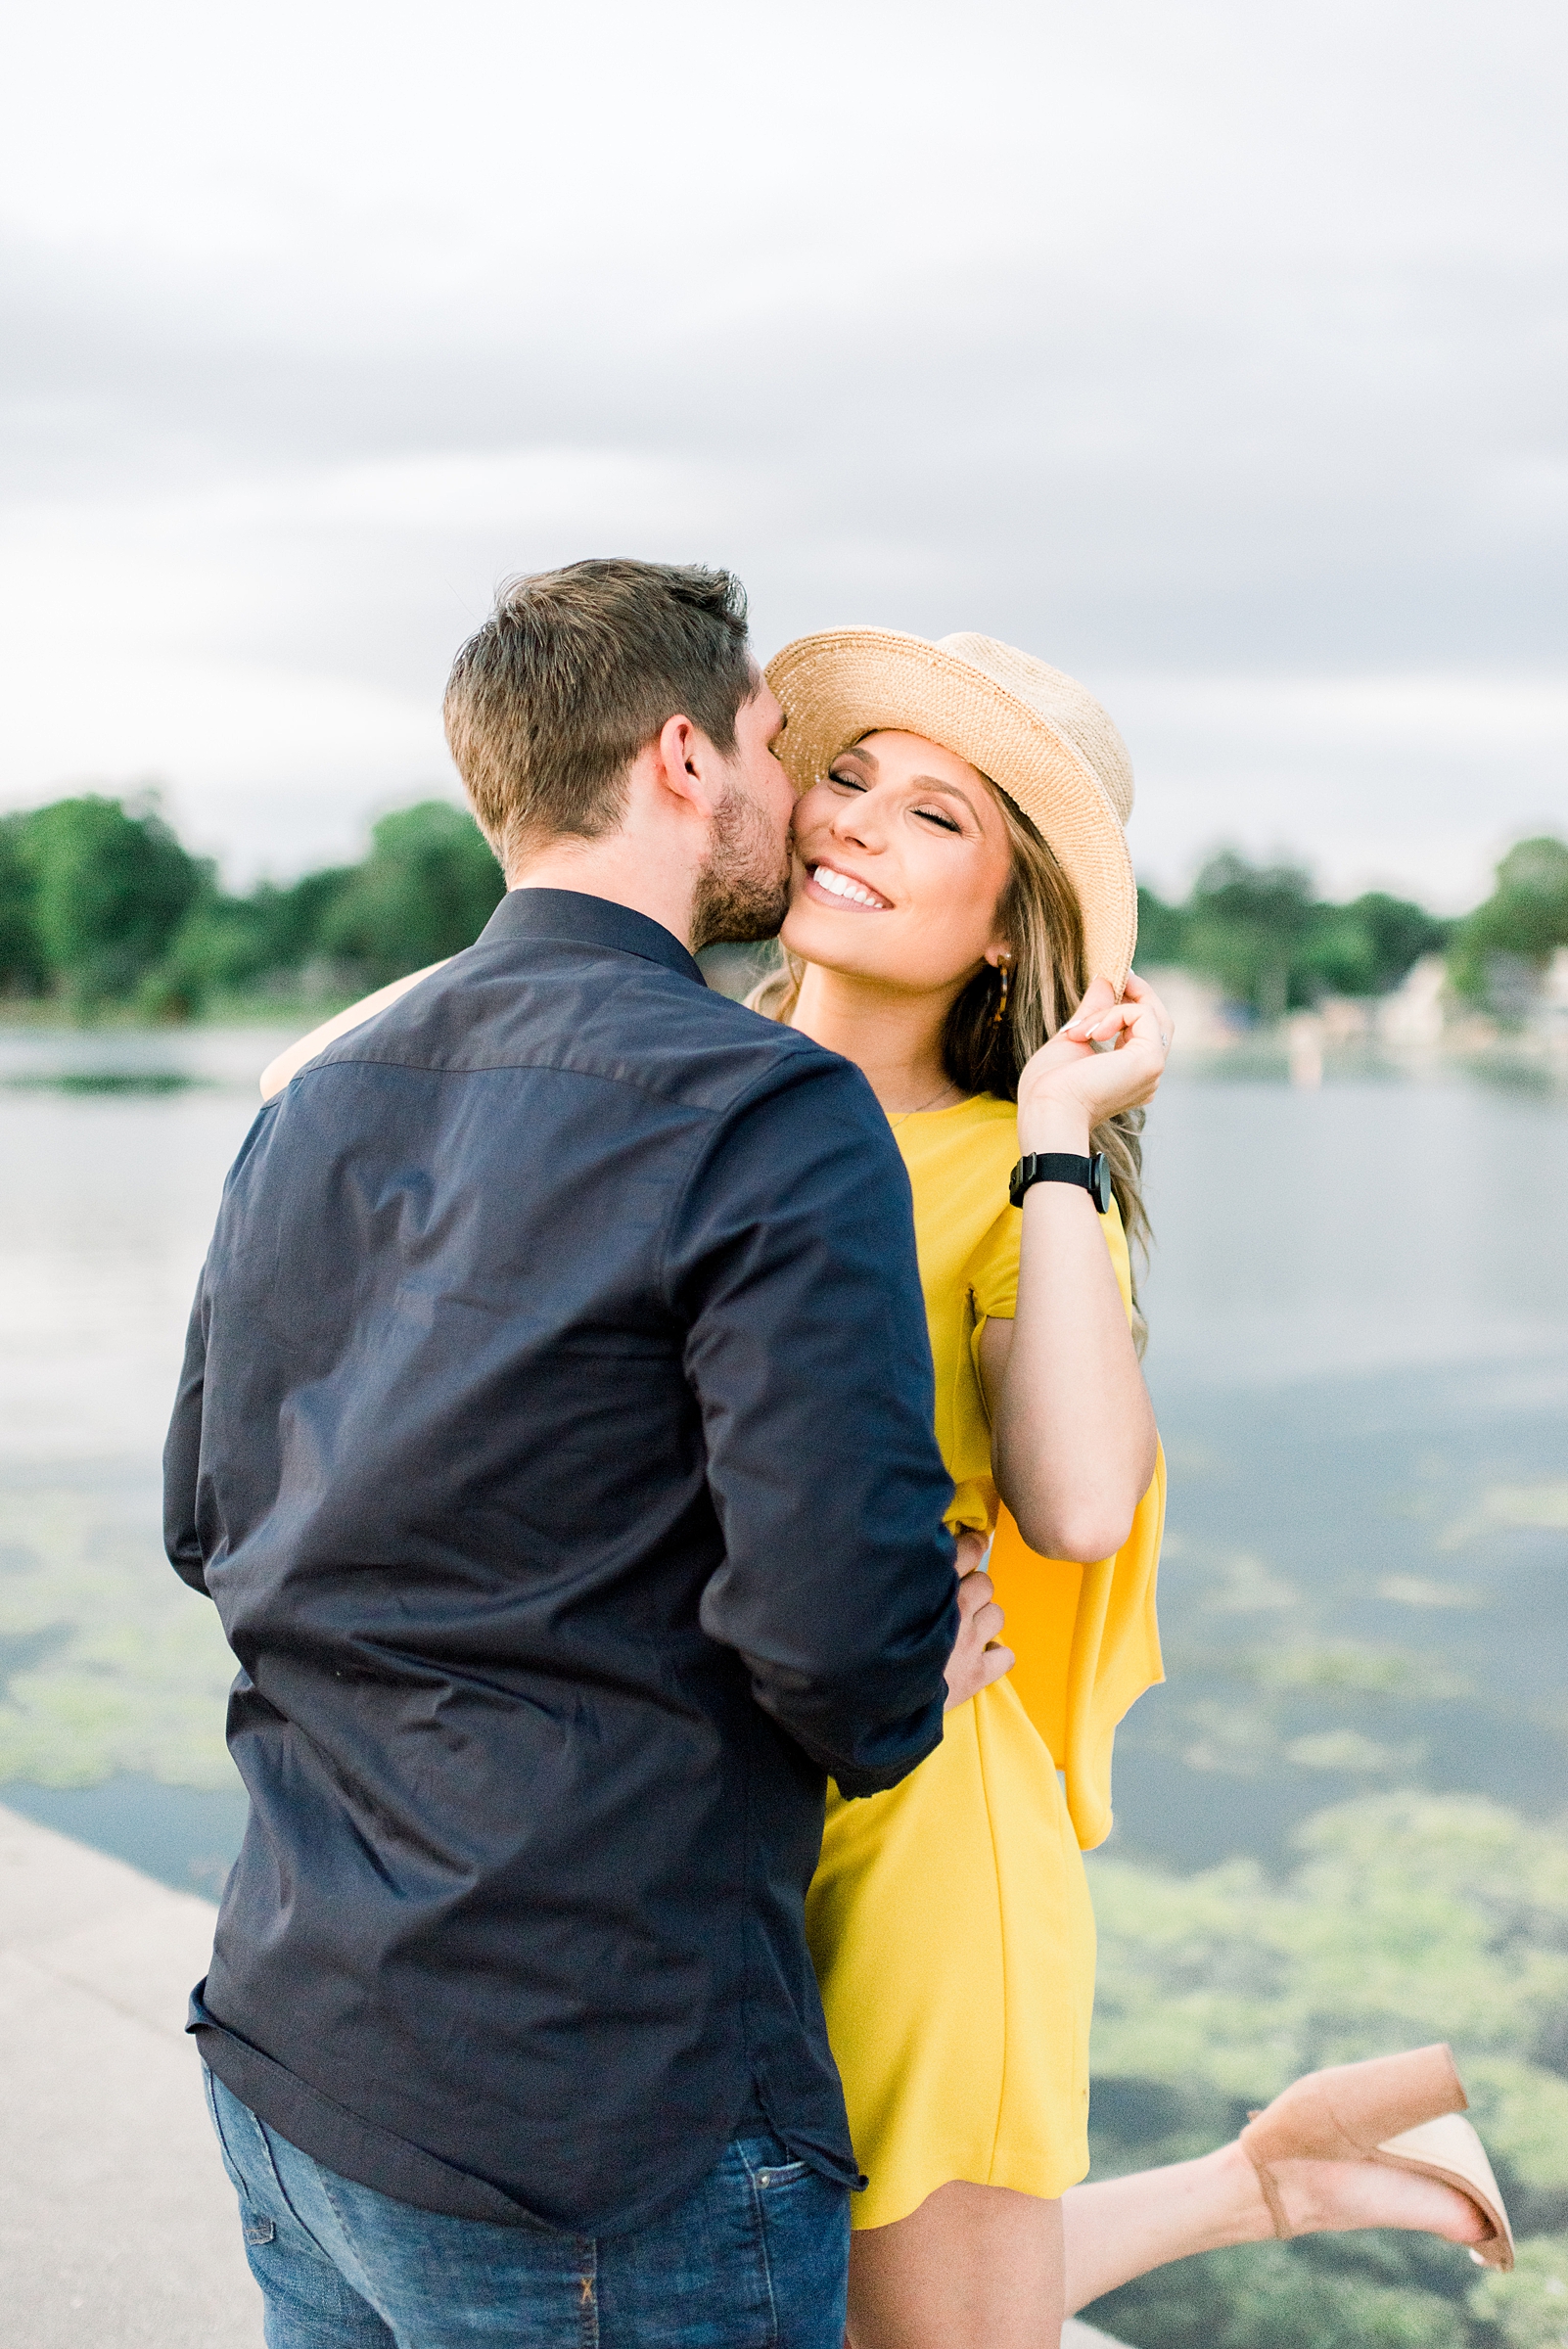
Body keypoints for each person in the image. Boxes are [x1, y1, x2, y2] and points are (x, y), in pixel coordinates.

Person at [268, 613, 1515, 2349]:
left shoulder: (1000, 1171)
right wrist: (550, 938)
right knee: (801, 2290)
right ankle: (1270, 2177)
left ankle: (1271, 2179)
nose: (854, 822)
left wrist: (1063, 1139)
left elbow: (1077, 1504)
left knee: (925, 2331)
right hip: (674, 1804)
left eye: (935, 817)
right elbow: (309, 1084)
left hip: (914, 1807)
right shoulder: (660, 1075)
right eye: (841, 781)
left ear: (1007, 933)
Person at [164, 560, 1011, 2349]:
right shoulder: (768, 1108)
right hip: (600, 2123)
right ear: (688, 758)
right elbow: (841, 1649)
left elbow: (205, 1521)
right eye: (786, 750)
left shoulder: (320, 1091)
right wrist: (905, 1667)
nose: (803, 806)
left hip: (294, 2047)